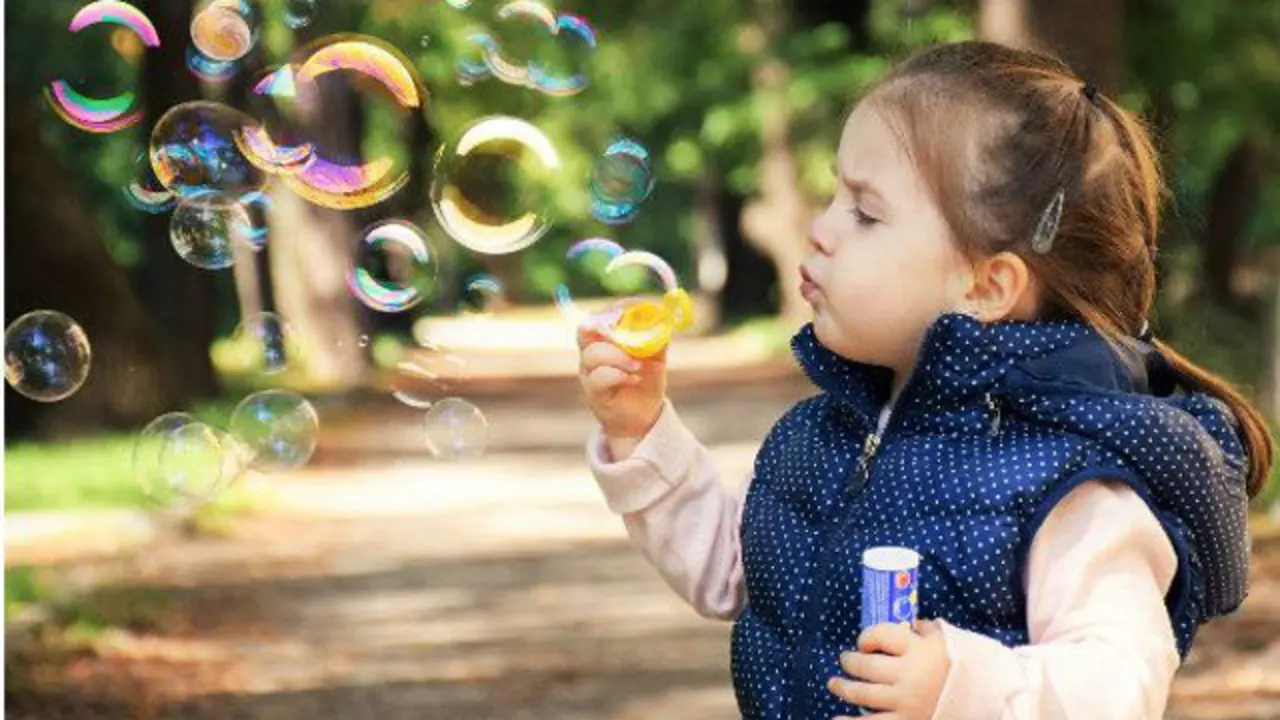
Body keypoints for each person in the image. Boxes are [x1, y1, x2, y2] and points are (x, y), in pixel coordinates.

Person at [577, 40, 1274, 720]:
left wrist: (962, 683)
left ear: (986, 284)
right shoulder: (825, 433)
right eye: (832, 195)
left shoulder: (1067, 480)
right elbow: (740, 571)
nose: (821, 231)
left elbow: (1120, 682)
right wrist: (642, 432)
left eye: (866, 212)